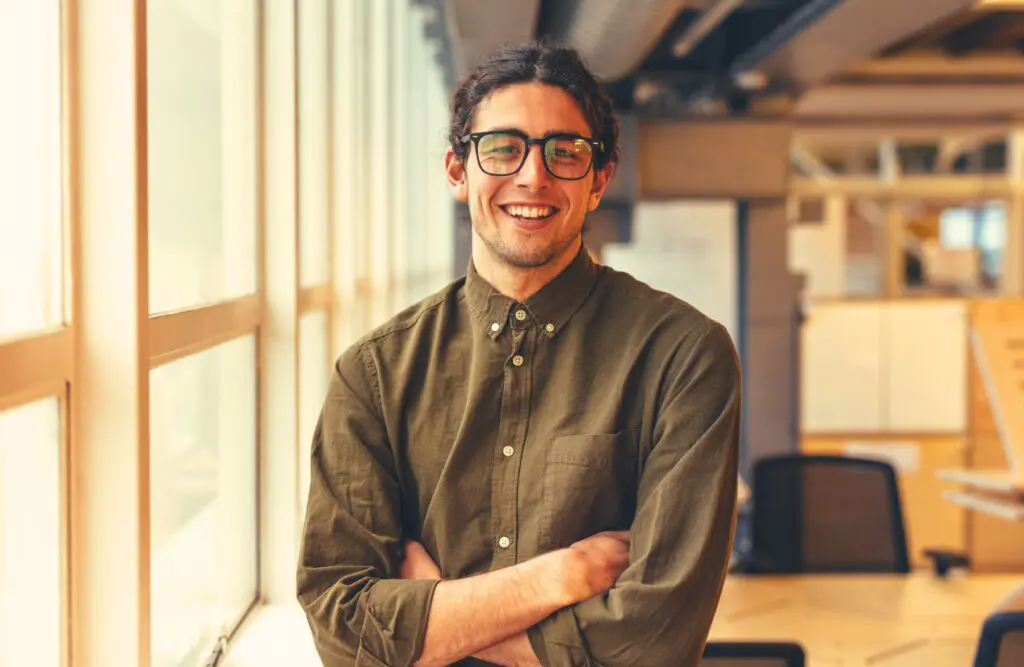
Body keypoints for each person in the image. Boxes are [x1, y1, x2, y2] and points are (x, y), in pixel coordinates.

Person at [297, 40, 741, 667]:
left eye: (565, 153)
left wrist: (439, 608)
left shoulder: (683, 356)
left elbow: (651, 642)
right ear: (458, 171)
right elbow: (342, 626)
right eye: (503, 148)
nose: (533, 176)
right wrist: (557, 578)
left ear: (598, 181)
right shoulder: (375, 373)